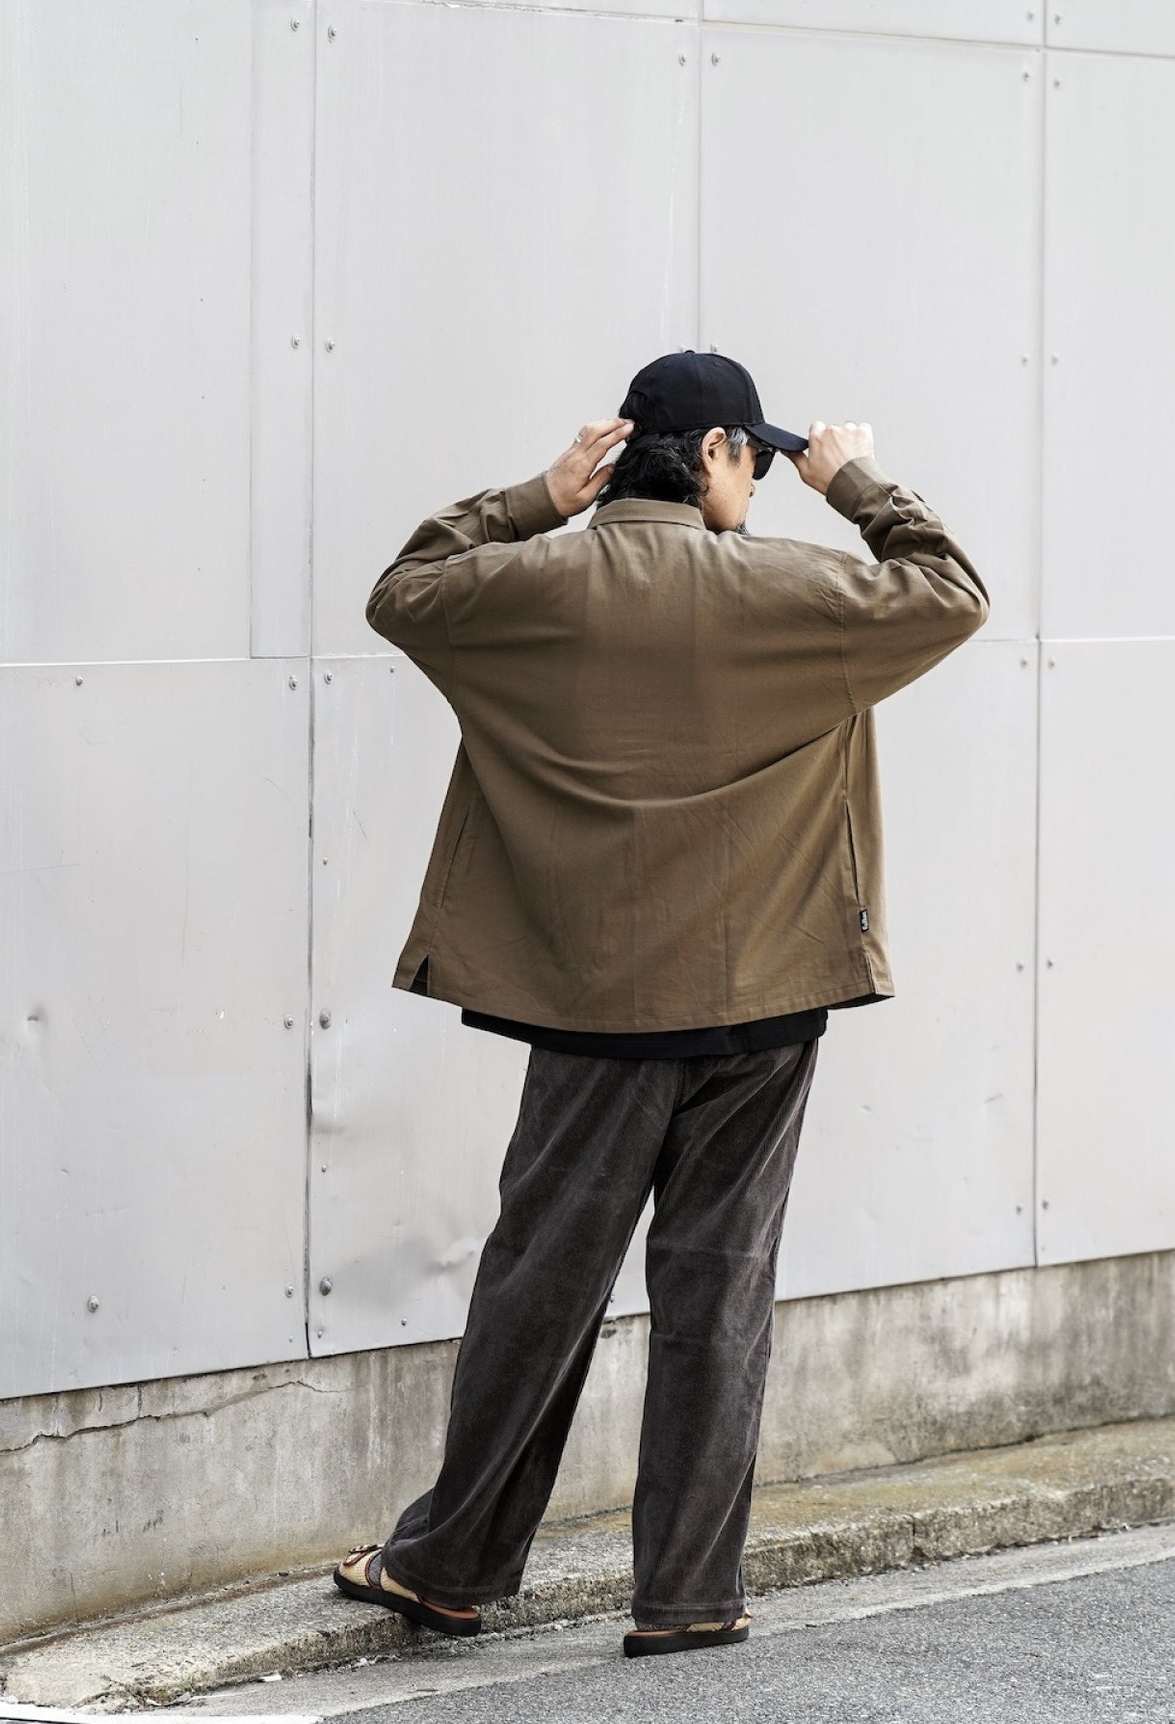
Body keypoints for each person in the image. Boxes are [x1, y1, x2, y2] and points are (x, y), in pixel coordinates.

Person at [335, 350, 989, 1657]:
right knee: (717, 1294)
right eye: (752, 457)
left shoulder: (530, 587)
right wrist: (854, 479)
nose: (757, 480)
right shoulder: (801, 595)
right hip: (764, 1006)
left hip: (590, 1007)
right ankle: (687, 1594)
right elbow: (949, 594)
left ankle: (450, 1565)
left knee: (541, 1286)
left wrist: (530, 500)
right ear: (713, 458)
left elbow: (402, 594)